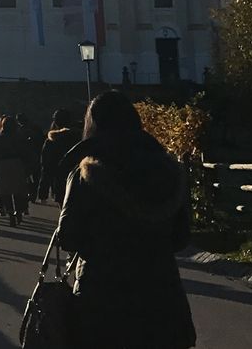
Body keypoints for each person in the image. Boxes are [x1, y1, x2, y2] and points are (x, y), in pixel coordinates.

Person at [57, 91, 196, 348]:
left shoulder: (86, 173)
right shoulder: (167, 170)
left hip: (102, 298)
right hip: (161, 296)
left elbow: (68, 237)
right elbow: (181, 237)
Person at [37, 108, 79, 204]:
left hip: (60, 181)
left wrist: (43, 192)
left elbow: (46, 167)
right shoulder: (79, 138)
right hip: (78, 179)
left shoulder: (51, 141)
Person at [0, 116, 30, 226]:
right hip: (17, 163)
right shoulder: (19, 137)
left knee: (6, 190)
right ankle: (18, 211)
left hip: (3, 164)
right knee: (18, 189)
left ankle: (10, 213)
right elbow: (25, 151)